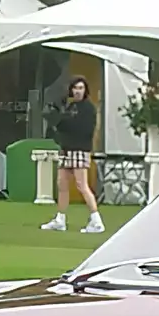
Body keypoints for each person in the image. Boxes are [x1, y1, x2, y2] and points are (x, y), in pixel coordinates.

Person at [41, 76, 102, 233]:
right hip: (66, 148)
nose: (77, 91)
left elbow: (82, 128)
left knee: (82, 185)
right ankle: (60, 219)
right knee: (62, 184)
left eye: (81, 88)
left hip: (80, 149)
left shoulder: (88, 108)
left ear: (85, 90)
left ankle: (96, 220)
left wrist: (61, 120)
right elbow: (62, 126)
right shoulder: (70, 106)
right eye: (75, 88)